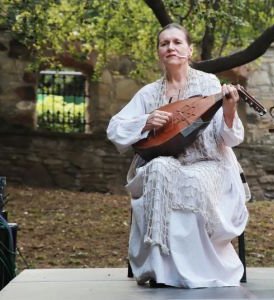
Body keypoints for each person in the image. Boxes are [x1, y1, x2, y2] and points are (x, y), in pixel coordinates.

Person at [107, 23, 248, 288]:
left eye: (177, 42)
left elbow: (228, 138)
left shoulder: (209, 85)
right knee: (160, 170)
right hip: (163, 161)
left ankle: (196, 270)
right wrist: (145, 122)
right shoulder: (149, 93)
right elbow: (115, 128)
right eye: (164, 43)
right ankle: (159, 270)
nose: (170, 47)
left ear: (189, 49)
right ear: (159, 53)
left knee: (192, 182)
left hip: (208, 162)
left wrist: (229, 111)